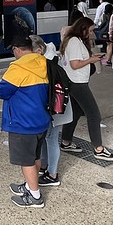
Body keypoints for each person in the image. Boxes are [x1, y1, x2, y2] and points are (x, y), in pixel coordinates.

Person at [0, 35, 50, 208]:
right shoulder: (42, 63)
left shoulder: (18, 68)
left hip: (23, 123)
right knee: (35, 156)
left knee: (26, 161)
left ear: (17, 50)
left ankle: (35, 197)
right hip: (40, 121)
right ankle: (29, 185)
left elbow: (2, 91)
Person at [59, 17, 113, 161]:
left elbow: (77, 60)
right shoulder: (74, 41)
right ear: (83, 28)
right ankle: (98, 149)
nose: (91, 33)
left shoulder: (74, 40)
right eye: (90, 30)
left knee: (77, 111)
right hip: (77, 83)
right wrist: (91, 60)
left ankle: (66, 141)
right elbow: (75, 64)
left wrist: (91, 56)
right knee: (94, 114)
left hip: (75, 81)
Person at [30, 35, 72, 187]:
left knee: (52, 139)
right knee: (46, 138)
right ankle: (45, 166)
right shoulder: (51, 56)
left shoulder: (49, 64)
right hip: (56, 107)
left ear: (40, 50)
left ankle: (53, 174)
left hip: (55, 109)